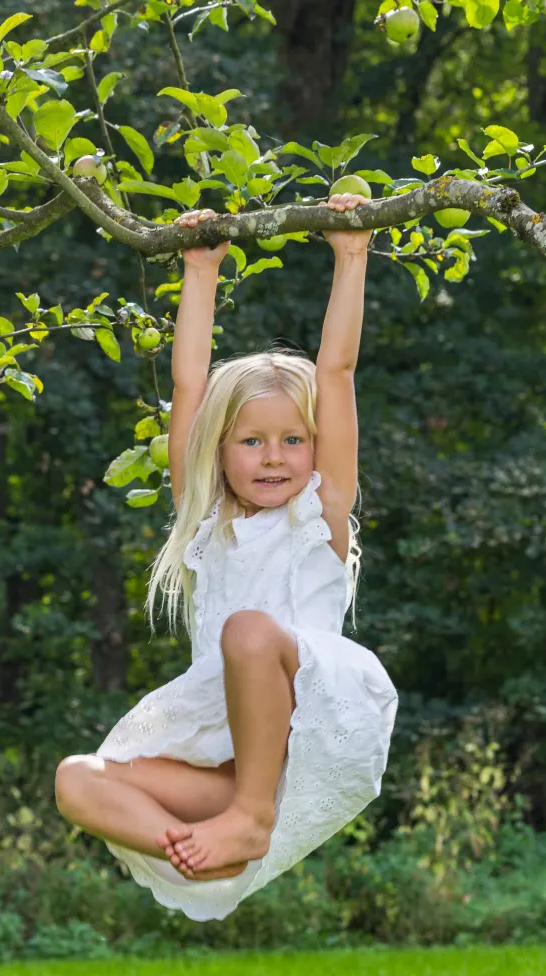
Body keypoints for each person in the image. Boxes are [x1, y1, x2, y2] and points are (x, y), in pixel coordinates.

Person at [55, 194, 398, 922]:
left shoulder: (319, 513)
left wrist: (351, 254)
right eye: (251, 441)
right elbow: (188, 386)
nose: (273, 457)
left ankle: (246, 818)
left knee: (247, 629)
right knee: (76, 780)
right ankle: (204, 843)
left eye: (291, 440)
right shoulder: (205, 524)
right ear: (220, 449)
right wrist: (199, 269)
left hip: (316, 713)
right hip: (238, 758)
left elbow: (335, 373)